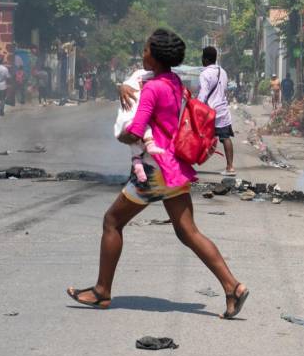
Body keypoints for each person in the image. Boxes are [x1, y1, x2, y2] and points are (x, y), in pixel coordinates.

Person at [67, 29, 248, 319]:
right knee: (188, 231)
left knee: (112, 222)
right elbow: (139, 81)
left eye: (146, 50)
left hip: (154, 171)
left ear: (156, 55)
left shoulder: (152, 89)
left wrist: (121, 134)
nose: (142, 54)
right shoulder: (174, 82)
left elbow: (136, 130)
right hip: (174, 167)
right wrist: (122, 87)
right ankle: (233, 287)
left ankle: (101, 292)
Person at [113, 69, 164, 183]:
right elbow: (127, 85)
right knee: (142, 142)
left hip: (133, 127)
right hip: (138, 125)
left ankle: (137, 173)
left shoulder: (163, 80)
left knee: (137, 151)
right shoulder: (140, 80)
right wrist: (124, 87)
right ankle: (137, 177)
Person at [198, 46, 236, 176]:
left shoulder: (204, 74)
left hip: (209, 112)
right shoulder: (223, 72)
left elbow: (203, 93)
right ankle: (230, 167)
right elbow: (224, 90)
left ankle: (187, 163)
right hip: (222, 110)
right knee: (225, 138)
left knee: (196, 135)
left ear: (205, 59)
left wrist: (197, 107)